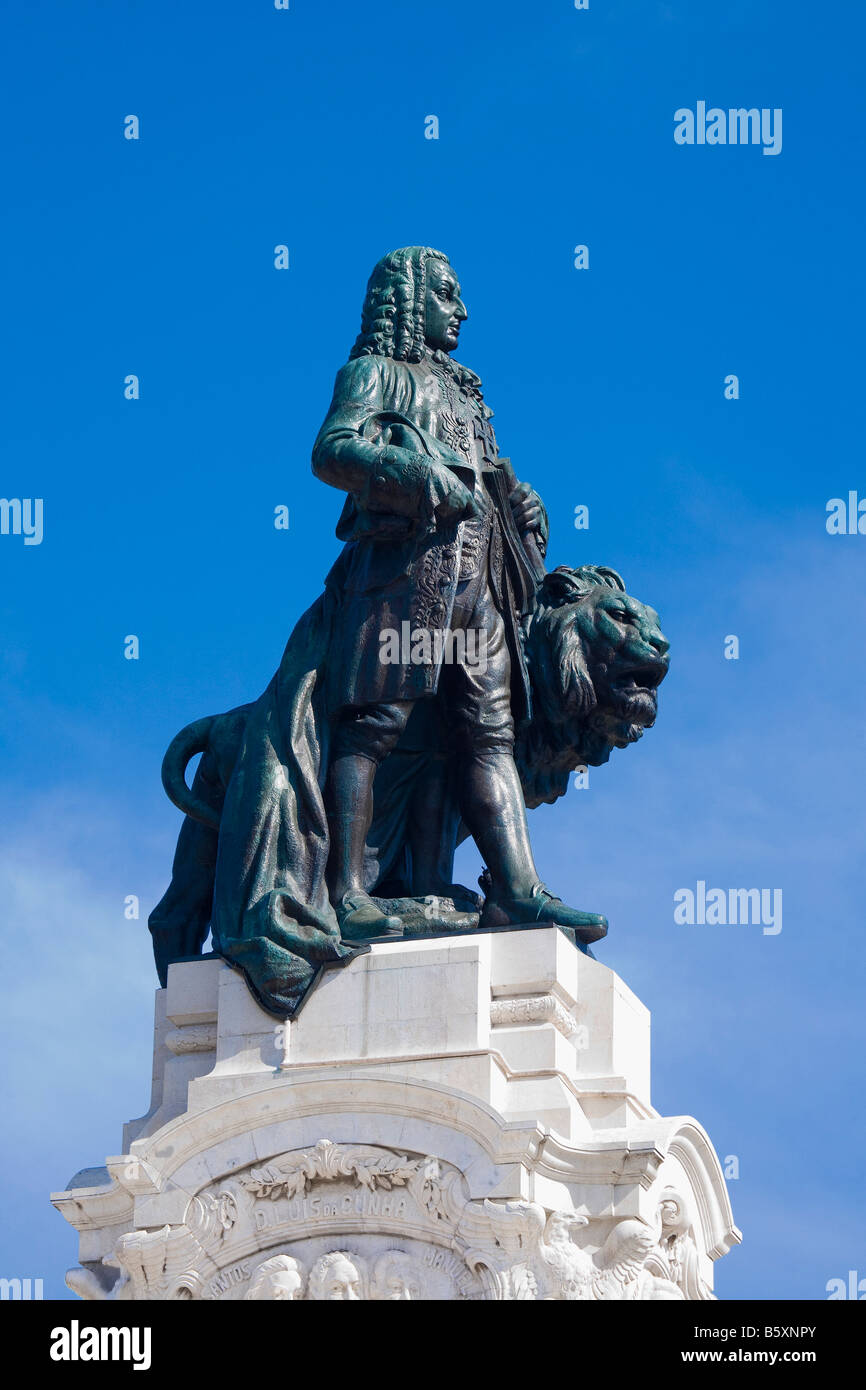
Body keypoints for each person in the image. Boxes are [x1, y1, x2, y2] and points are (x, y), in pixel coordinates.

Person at [313, 246, 607, 944]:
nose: (462, 311)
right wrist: (411, 472)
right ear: (410, 299)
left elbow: (487, 480)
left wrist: (522, 505)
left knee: (487, 735)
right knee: (374, 726)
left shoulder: (469, 392)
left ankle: (517, 891)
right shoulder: (373, 373)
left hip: (482, 586)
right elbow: (331, 451)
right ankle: (348, 891)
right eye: (447, 295)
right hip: (406, 576)